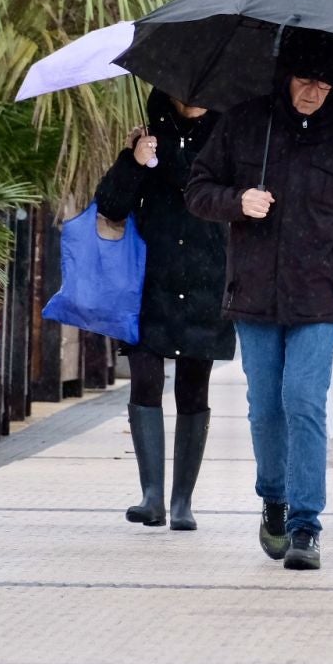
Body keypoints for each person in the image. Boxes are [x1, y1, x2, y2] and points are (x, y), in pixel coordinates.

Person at [185, 30, 333, 571]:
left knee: (304, 400)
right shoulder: (243, 122)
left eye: (325, 84)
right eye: (306, 81)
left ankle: (307, 524)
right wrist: (238, 200)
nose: (314, 93)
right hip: (254, 292)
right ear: (287, 75)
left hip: (321, 293)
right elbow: (197, 190)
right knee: (266, 406)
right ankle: (274, 500)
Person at [94, 90, 232, 531]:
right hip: (147, 283)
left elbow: (232, 199)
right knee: (146, 381)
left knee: (194, 391)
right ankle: (151, 495)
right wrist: (135, 160)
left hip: (206, 282)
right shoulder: (146, 140)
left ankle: (182, 502)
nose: (193, 97)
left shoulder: (230, 144)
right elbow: (110, 206)